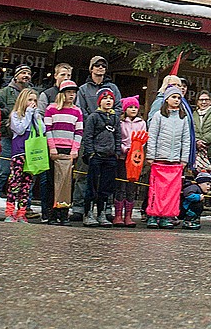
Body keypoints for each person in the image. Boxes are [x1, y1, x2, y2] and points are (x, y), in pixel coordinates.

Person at [71, 56, 122, 221]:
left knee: (107, 179)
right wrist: (95, 119)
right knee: (83, 174)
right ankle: (80, 207)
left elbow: (119, 107)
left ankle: (104, 209)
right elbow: (80, 109)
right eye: (97, 65)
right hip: (89, 134)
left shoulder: (112, 88)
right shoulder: (83, 89)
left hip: (109, 136)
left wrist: (110, 119)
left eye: (103, 66)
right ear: (91, 68)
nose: (100, 68)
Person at [145, 85, 194, 229]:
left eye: (179, 97)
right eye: (174, 97)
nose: (177, 100)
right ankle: (153, 215)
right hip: (160, 159)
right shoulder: (158, 116)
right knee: (156, 190)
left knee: (171, 192)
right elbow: (152, 136)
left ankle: (167, 216)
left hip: (175, 161)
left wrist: (184, 158)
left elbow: (186, 139)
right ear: (166, 99)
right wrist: (151, 155)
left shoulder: (183, 118)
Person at [0, 64, 34, 216]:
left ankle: (25, 208)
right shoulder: (4, 93)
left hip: (27, 141)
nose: (26, 75)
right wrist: (9, 125)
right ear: (15, 75)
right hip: (8, 137)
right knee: (2, 172)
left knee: (28, 174)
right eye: (23, 72)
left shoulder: (32, 93)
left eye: (28, 73)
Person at [42, 80, 82, 225]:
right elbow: (48, 130)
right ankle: (52, 214)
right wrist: (52, 148)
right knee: (53, 183)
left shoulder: (77, 111)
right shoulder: (51, 109)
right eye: (69, 92)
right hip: (54, 148)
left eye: (74, 93)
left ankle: (64, 214)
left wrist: (74, 149)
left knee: (67, 184)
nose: (72, 95)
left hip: (69, 150)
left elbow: (79, 131)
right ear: (62, 94)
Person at [81, 90, 122, 227]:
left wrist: (116, 152)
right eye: (105, 98)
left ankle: (102, 212)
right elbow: (88, 136)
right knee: (92, 185)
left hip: (110, 157)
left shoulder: (115, 118)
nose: (108, 101)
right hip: (96, 155)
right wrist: (91, 153)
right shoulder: (93, 117)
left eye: (111, 98)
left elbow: (118, 136)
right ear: (99, 101)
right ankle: (88, 213)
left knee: (106, 187)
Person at [5, 87, 42, 223]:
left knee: (26, 184)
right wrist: (28, 114)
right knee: (15, 182)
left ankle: (22, 212)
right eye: (30, 100)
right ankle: (9, 212)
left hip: (31, 154)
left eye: (34, 100)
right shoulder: (16, 114)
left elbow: (41, 130)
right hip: (19, 153)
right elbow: (19, 129)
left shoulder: (34, 115)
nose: (32, 103)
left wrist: (35, 116)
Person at [115, 96, 147, 228]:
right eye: (130, 107)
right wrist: (124, 149)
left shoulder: (142, 123)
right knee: (120, 186)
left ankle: (128, 215)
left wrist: (136, 149)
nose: (133, 109)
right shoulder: (121, 123)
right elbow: (119, 138)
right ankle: (118, 215)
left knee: (131, 187)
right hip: (123, 158)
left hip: (135, 160)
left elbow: (143, 139)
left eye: (135, 107)